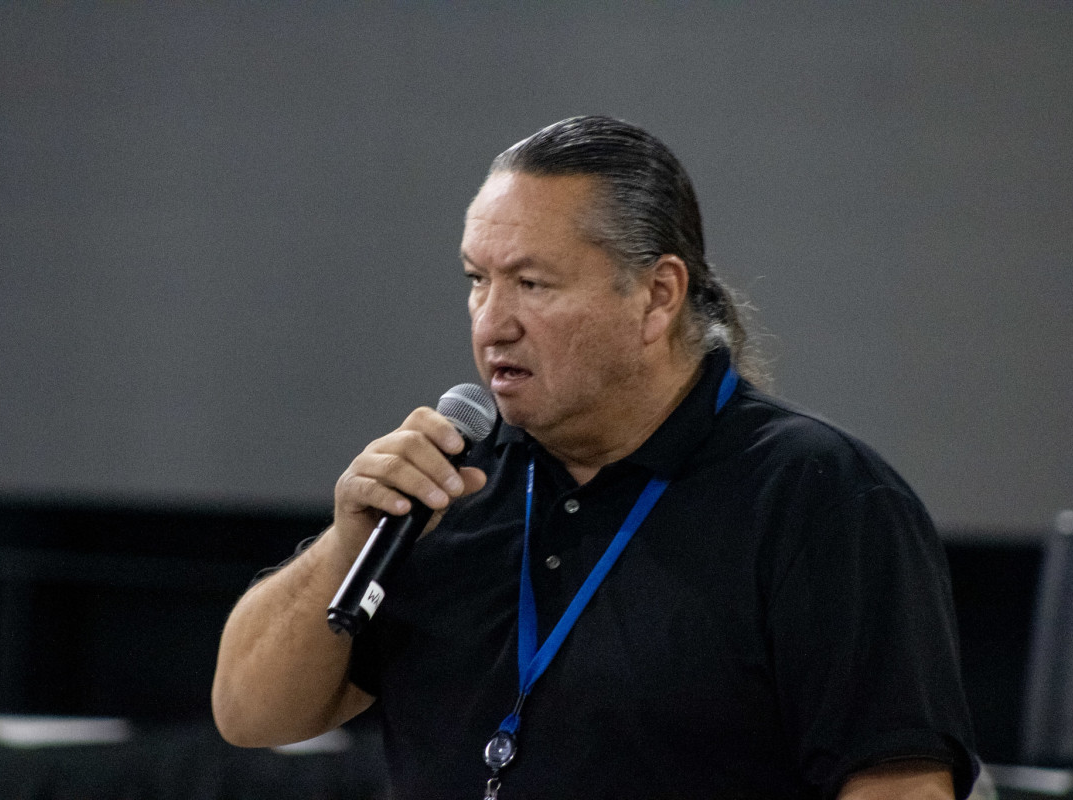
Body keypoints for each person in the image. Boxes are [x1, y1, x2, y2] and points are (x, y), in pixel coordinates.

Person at [212, 116, 978, 799]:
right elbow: (251, 715)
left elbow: (899, 781)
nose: (492, 323)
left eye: (531, 283)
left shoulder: (817, 495)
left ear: (657, 295)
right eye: (477, 281)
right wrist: (350, 540)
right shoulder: (449, 485)